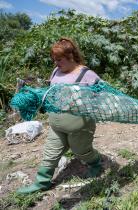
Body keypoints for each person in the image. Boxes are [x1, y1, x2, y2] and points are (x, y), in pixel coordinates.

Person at [17, 38, 102, 194]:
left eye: (59, 59)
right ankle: (42, 182)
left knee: (81, 151)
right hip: (56, 124)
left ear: (71, 56)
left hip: (80, 126)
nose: (56, 63)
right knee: (50, 152)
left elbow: (103, 94)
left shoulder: (86, 74)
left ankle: (96, 163)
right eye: (54, 60)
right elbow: (52, 92)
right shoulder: (56, 71)